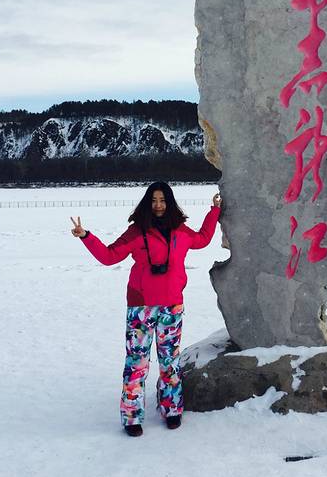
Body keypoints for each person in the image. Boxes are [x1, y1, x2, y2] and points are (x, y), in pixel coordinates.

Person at [70, 181, 221, 437]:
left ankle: (172, 409)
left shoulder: (181, 231)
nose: (158, 205)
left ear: (169, 203)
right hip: (141, 307)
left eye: (163, 200)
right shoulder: (136, 232)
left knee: (170, 361)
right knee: (137, 363)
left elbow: (203, 239)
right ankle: (131, 416)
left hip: (172, 306)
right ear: (147, 203)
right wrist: (86, 236)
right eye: (154, 200)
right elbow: (109, 256)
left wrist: (214, 211)